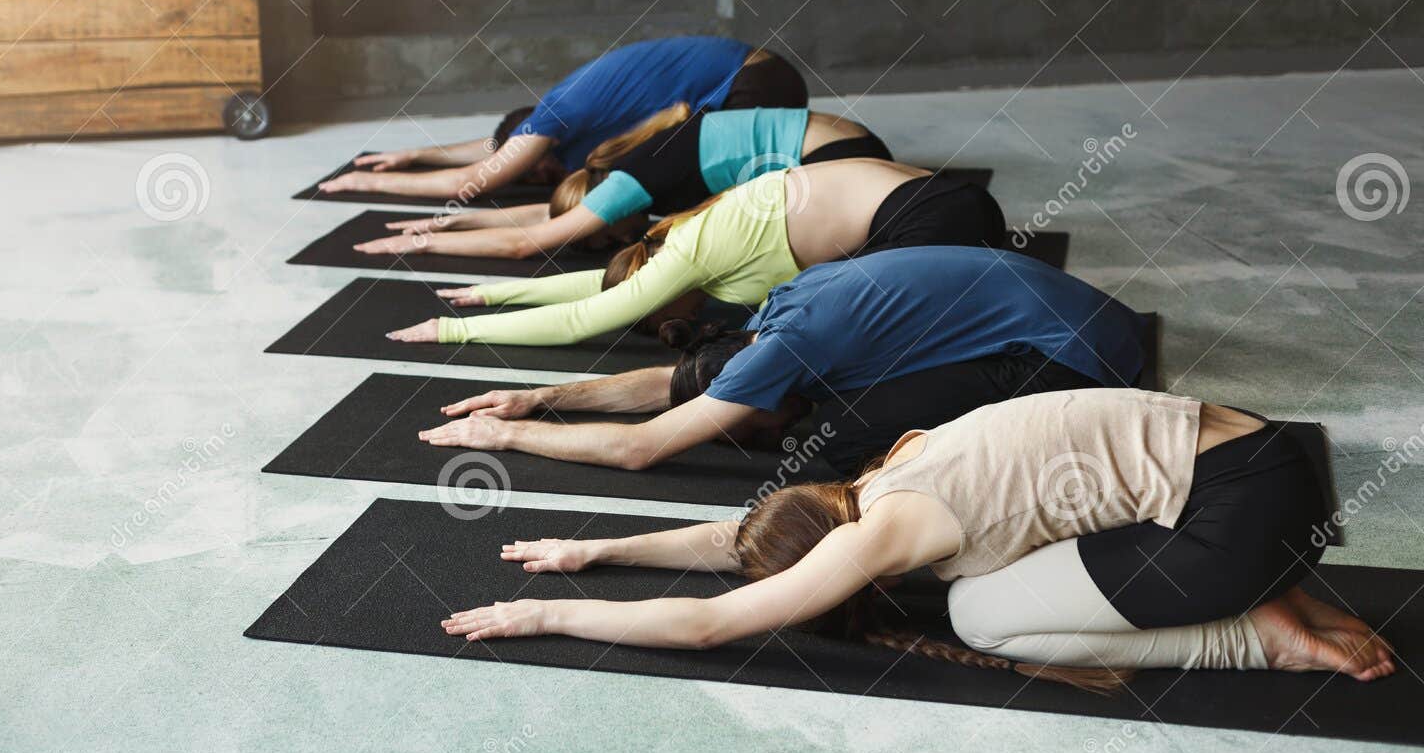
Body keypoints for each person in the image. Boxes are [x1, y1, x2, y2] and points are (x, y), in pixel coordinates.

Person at [441, 388, 1396, 690]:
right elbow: (741, 542)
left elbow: (711, 623)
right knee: (1011, 568)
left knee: (982, 611)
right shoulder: (897, 465)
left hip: (1230, 524)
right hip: (1268, 462)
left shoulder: (891, 532)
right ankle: (1283, 584)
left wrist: (551, 612)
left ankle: (1263, 634)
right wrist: (597, 551)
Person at [415, 246, 1145, 476]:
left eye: (745, 422)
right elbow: (678, 387)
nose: (746, 428)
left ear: (763, 382)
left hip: (1084, 361)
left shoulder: (790, 348)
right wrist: (543, 398)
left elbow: (642, 448)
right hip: (1080, 317)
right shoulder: (780, 308)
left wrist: (505, 436)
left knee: (838, 440)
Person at [385, 159, 1006, 347]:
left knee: (880, 346)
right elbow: (602, 290)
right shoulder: (683, 240)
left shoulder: (692, 251)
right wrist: (494, 292)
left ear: (656, 277)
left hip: (930, 217)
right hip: (945, 204)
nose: (663, 316)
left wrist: (451, 329)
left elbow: (590, 316)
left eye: (654, 310)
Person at [353, 105, 899, 260]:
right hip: (845, 151)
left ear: (605, 207)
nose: (618, 240)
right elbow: (544, 220)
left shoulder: (632, 182)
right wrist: (453, 219)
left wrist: (423, 243)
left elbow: (527, 243)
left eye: (604, 234)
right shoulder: (627, 176)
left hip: (841, 158)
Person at [317, 37, 806, 202]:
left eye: (530, 167)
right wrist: (416, 154)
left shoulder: (555, 112)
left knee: (659, 185)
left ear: (534, 140)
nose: (540, 176)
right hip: (762, 81)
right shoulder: (559, 128)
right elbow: (490, 148)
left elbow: (474, 180)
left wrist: (367, 181)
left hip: (754, 84)